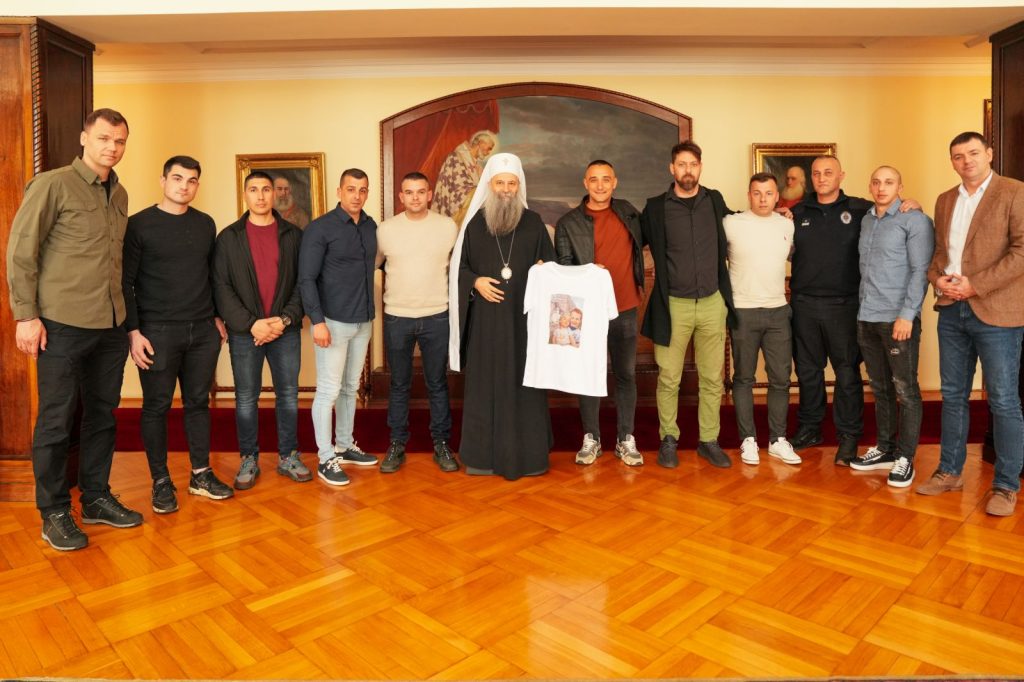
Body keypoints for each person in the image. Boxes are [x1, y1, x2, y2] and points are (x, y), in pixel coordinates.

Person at [6, 108, 141, 551]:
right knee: (56, 419)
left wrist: (127, 325)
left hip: (110, 325)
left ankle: (96, 497)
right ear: (85, 139)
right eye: (104, 138)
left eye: (119, 141)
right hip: (61, 324)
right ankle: (53, 511)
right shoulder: (53, 184)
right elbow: (21, 252)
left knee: (102, 415)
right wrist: (26, 316)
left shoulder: (119, 194)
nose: (112, 148)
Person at [917, 132, 1024, 516]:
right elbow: (940, 254)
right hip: (951, 311)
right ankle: (949, 472)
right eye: (958, 156)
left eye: (974, 153)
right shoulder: (946, 199)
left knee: (1003, 400)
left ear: (989, 154)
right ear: (952, 161)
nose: (967, 161)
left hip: (997, 312)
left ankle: (1006, 486)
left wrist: (975, 285)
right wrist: (938, 278)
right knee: (953, 396)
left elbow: (1022, 251)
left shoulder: (1014, 192)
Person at [123, 155, 234, 513]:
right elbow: (125, 283)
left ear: (197, 185)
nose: (184, 186)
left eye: (191, 180)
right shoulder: (138, 225)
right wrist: (133, 332)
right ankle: (160, 481)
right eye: (177, 178)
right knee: (156, 406)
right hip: (156, 332)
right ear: (163, 181)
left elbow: (211, 275)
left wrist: (216, 316)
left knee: (198, 403)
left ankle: (200, 475)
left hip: (202, 331)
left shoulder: (205, 224)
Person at [448, 152, 556, 479]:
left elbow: (550, 266)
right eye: (500, 183)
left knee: (526, 386)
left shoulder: (534, 222)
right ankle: (482, 459)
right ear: (490, 186)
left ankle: (530, 458)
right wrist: (475, 282)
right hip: (486, 325)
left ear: (518, 186)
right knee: (485, 386)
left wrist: (544, 269)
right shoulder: (474, 224)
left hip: (524, 323)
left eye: (512, 183)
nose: (506, 189)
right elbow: (458, 270)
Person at [641, 140, 736, 469]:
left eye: (693, 164)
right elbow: (630, 240)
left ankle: (708, 441)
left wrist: (778, 215)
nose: (687, 170)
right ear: (672, 168)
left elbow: (740, 226)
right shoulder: (656, 207)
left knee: (712, 378)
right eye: (681, 164)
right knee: (669, 378)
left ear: (700, 167)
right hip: (673, 306)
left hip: (712, 303)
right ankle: (669, 439)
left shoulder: (715, 200)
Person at [214, 171, 308, 490]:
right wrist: (251, 323)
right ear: (245, 195)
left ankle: (288, 456)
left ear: (275, 194)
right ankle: (248, 459)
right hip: (245, 333)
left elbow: (303, 283)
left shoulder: (293, 236)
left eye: (266, 189)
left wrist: (284, 320)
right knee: (245, 397)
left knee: (288, 395)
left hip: (285, 330)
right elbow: (221, 287)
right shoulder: (229, 238)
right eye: (253, 189)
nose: (260, 196)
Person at [554, 160, 645, 467]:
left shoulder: (629, 212)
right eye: (594, 179)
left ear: (614, 182)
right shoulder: (568, 222)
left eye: (606, 179)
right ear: (585, 183)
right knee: (588, 374)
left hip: (625, 307)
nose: (600, 185)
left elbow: (645, 243)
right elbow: (564, 268)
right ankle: (591, 438)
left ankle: (625, 439)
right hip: (587, 313)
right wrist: (588, 271)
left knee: (626, 374)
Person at [850, 166, 933, 488]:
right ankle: (885, 448)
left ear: (900, 186)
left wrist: (907, 315)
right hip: (867, 316)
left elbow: (920, 270)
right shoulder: (867, 220)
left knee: (905, 390)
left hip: (898, 319)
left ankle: (905, 457)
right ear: (870, 186)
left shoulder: (915, 220)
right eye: (876, 182)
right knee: (880, 387)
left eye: (889, 182)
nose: (881, 187)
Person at [299, 169, 379, 487]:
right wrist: (317, 321)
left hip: (363, 320)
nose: (357, 195)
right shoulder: (320, 228)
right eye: (351, 189)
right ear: (339, 191)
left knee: (350, 388)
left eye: (362, 190)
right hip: (332, 322)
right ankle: (325, 458)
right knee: (328, 391)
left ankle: (345, 446)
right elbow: (306, 278)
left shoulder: (371, 226)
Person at [375, 172, 459, 473]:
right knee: (399, 384)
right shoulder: (385, 230)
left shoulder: (447, 227)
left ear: (429, 194)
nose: (415, 197)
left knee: (437, 383)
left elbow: (461, 267)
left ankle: (442, 444)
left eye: (420, 192)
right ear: (401, 196)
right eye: (409, 192)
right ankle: (397, 444)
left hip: (437, 315)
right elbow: (371, 264)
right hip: (397, 316)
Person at [723, 172, 800, 466]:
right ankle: (748, 440)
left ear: (777, 196)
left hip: (778, 310)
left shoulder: (787, 224)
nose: (763, 199)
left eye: (769, 193)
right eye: (757, 193)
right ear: (749, 195)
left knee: (780, 378)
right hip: (743, 310)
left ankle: (778, 439)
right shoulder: (731, 224)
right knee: (743, 377)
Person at [433, 130, 497, 224]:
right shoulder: (457, 157)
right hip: (456, 205)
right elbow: (457, 186)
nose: (489, 152)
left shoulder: (478, 166)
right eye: (489, 148)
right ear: (480, 143)